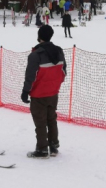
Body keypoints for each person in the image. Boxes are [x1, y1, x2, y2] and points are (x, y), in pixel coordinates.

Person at [21, 25, 67, 158]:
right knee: (51, 119)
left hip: (39, 94)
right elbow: (63, 72)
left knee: (40, 122)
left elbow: (30, 76)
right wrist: (54, 85)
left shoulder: (35, 55)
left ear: (39, 36)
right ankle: (53, 146)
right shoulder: (59, 51)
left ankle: (42, 149)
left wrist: (25, 91)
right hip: (53, 93)